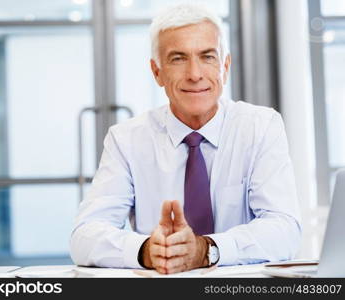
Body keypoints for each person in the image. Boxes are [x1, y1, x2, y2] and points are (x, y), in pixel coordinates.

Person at [70, 3, 301, 274]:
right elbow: (84, 236)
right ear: (157, 72)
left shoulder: (260, 127)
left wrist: (206, 250)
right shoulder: (126, 140)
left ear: (225, 67)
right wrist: (145, 250)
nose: (194, 74)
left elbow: (285, 230)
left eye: (207, 56)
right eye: (178, 58)